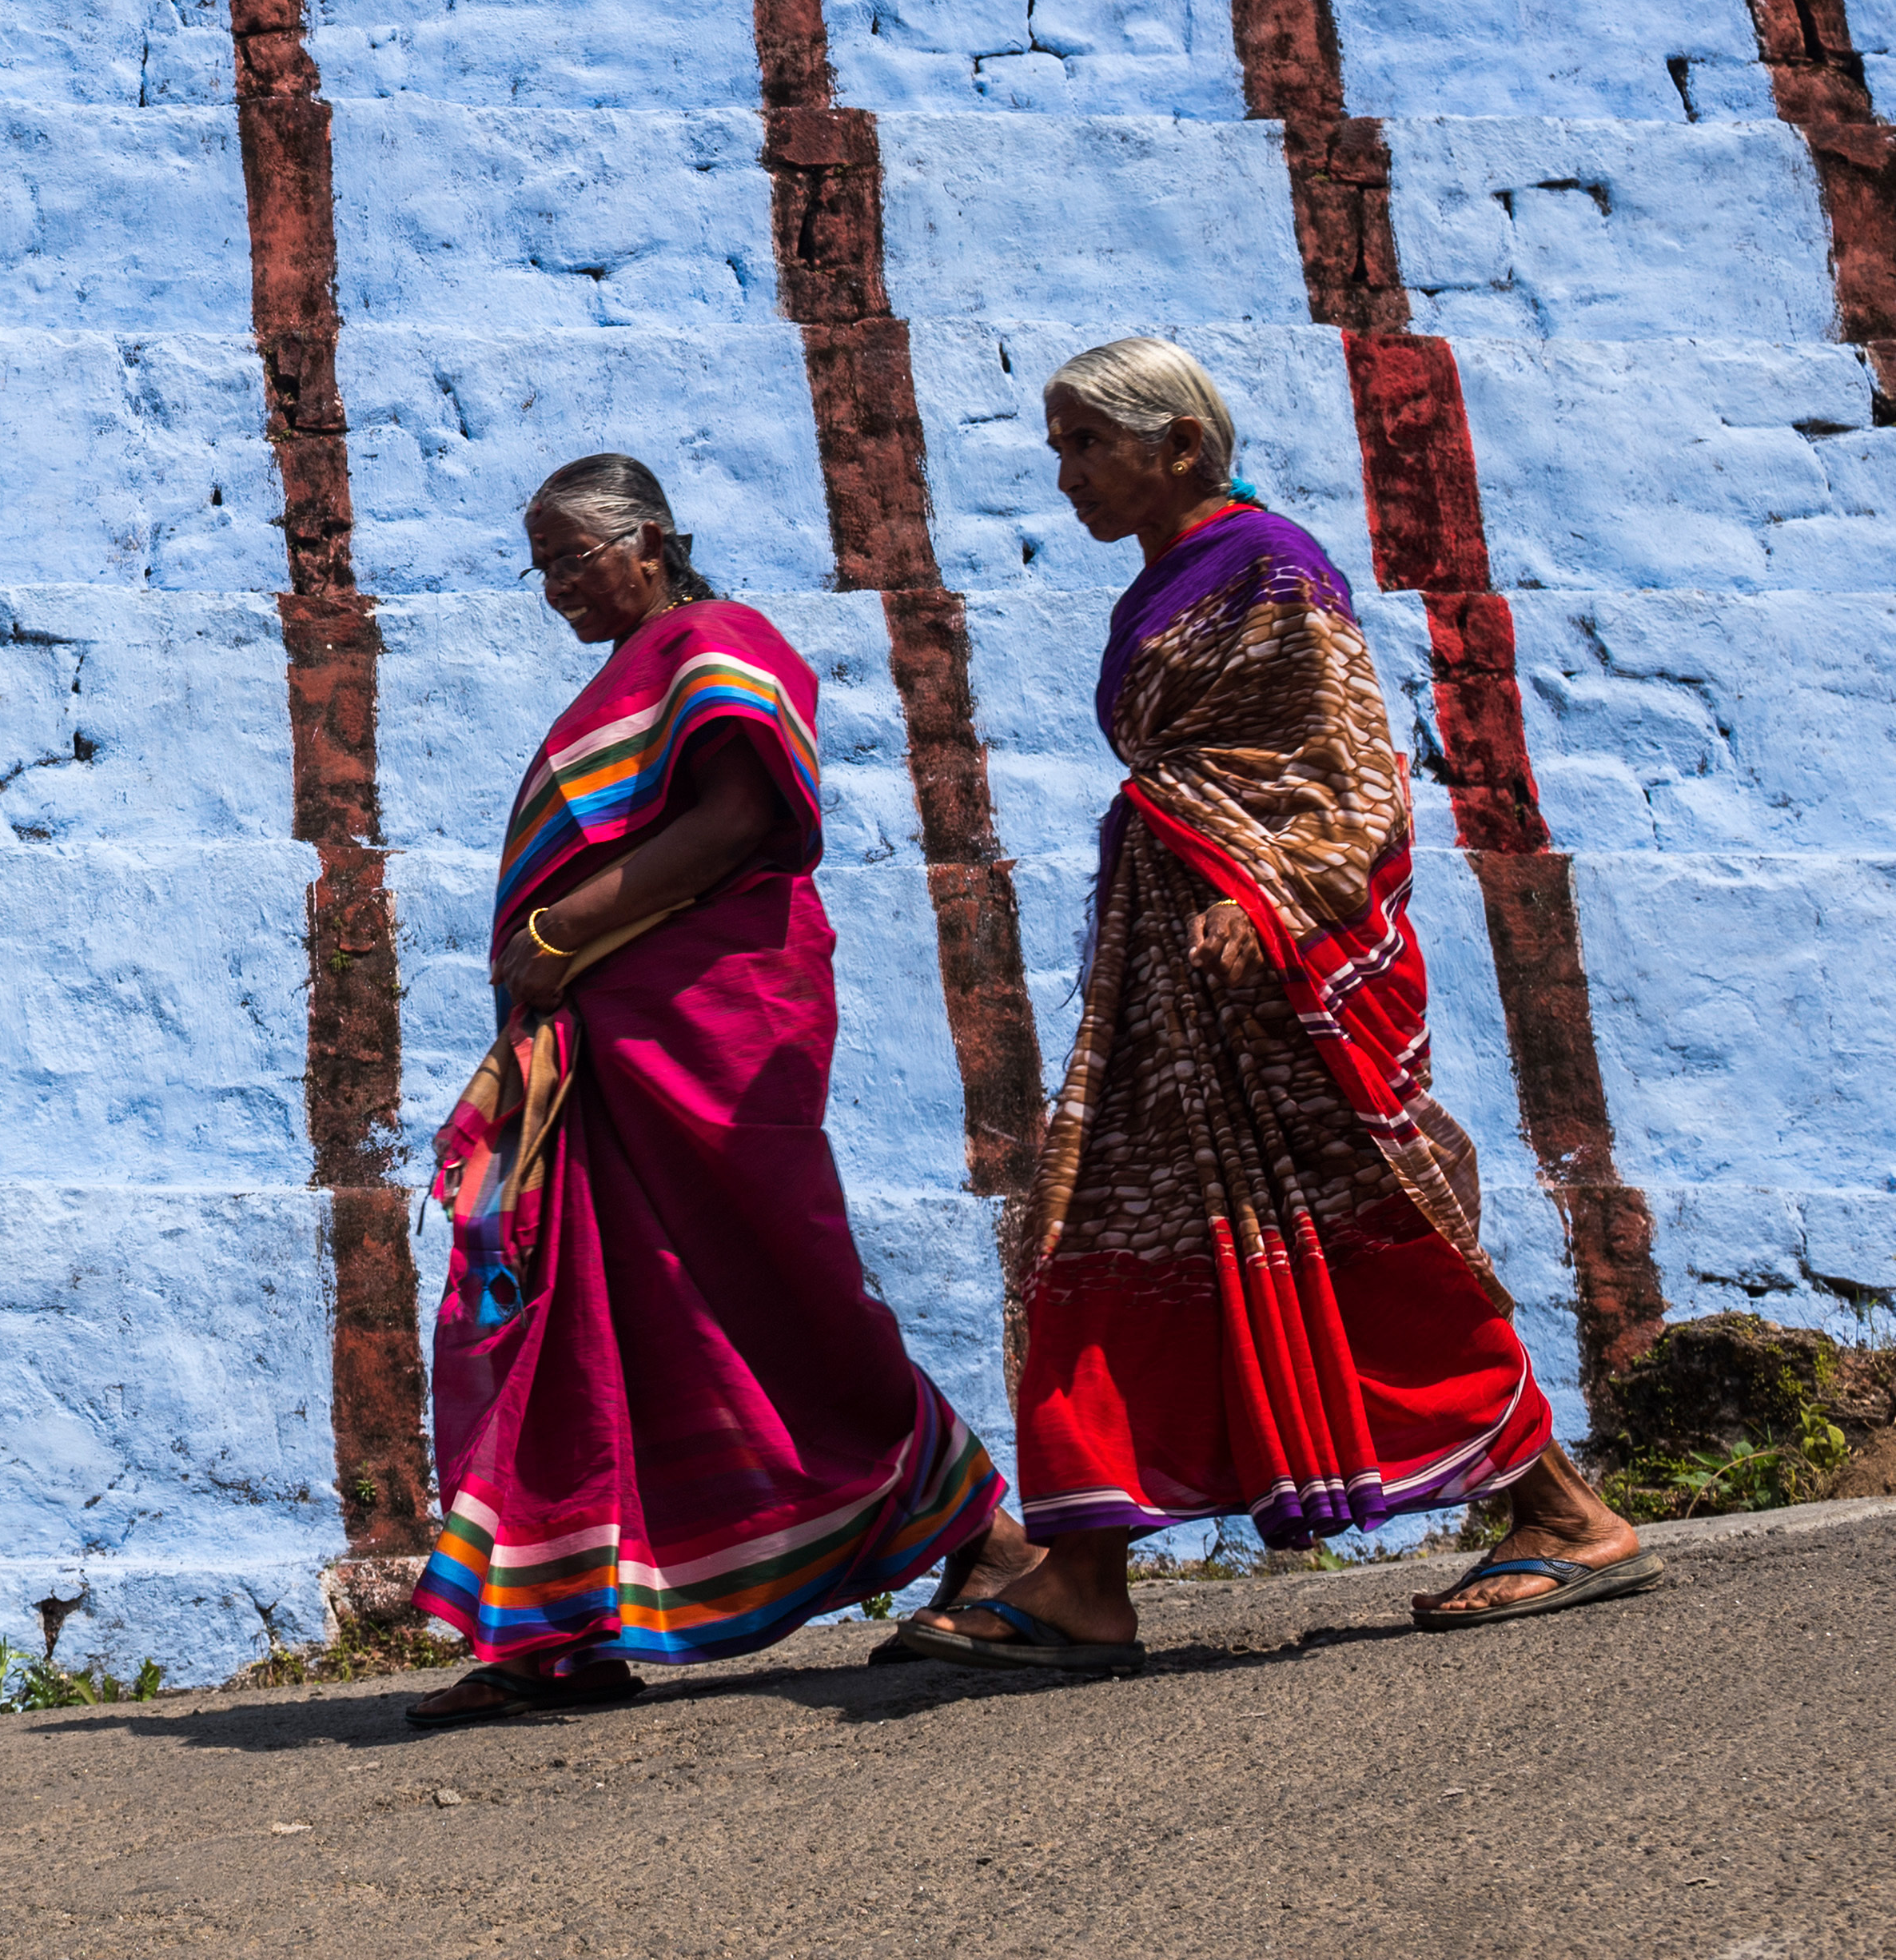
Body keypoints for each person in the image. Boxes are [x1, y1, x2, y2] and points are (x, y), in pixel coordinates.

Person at [897, 338, 1643, 1676]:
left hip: (1268, 962)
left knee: (1356, 1238)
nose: (1061, 473)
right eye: (1056, 445)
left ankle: (1560, 1508)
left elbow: (1352, 759)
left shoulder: (1269, 567)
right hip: (1175, 973)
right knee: (1128, 1243)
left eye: (1083, 443)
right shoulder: (1163, 583)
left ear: (1178, 443)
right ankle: (1082, 1571)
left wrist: (1276, 895)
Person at [407, 454, 1006, 1727]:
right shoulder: (616, 677)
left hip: (708, 1031)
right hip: (604, 1054)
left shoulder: (714, 639)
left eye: (577, 553)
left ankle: (974, 1530)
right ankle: (555, 1628)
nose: (559, 584)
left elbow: (736, 819)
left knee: (768, 1285)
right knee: (582, 1322)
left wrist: (563, 932)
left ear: (653, 539)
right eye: (543, 565)